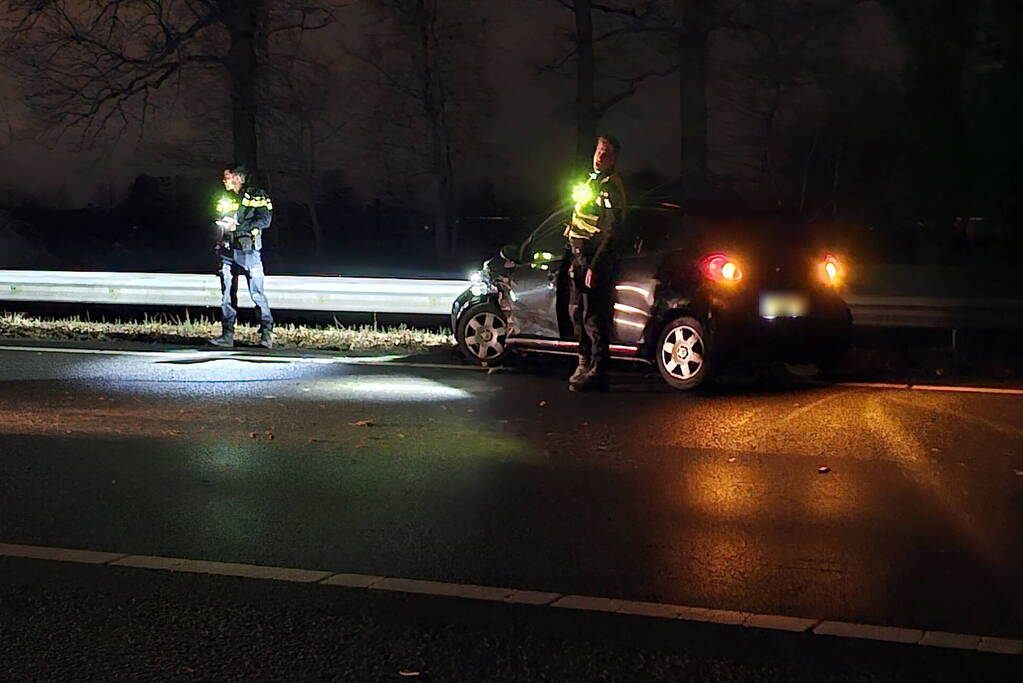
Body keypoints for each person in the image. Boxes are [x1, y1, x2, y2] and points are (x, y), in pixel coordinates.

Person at [564, 135, 627, 391]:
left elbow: (613, 231)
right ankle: (583, 363)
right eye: (598, 151)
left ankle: (598, 371)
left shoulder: (612, 186)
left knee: (595, 316)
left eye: (606, 153)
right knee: (578, 313)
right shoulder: (591, 182)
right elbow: (578, 220)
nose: (599, 157)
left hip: (594, 261)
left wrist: (595, 266)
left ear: (614, 158)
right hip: (579, 258)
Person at [208, 164, 275, 349]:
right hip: (227, 252)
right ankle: (227, 335)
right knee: (227, 296)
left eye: (227, 177)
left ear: (238, 177)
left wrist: (238, 227)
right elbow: (217, 216)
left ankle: (266, 335)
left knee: (257, 294)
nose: (224, 180)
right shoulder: (224, 197)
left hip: (249, 251)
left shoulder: (257, 195)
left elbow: (265, 220)